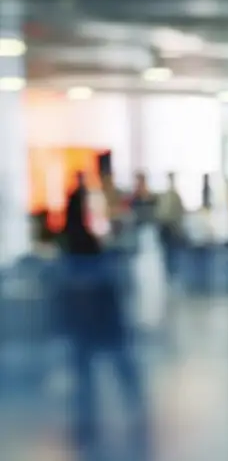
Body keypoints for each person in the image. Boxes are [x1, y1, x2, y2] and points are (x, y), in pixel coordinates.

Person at [60, 172, 147, 448]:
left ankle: (86, 422)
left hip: (86, 319)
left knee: (87, 370)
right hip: (101, 314)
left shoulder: (73, 240)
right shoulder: (87, 242)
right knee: (117, 364)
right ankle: (132, 409)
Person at [155, 172, 184, 281]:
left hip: (173, 228)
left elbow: (179, 213)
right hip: (165, 227)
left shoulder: (175, 195)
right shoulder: (165, 195)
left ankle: (173, 274)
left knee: (172, 254)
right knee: (167, 254)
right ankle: (169, 274)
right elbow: (160, 212)